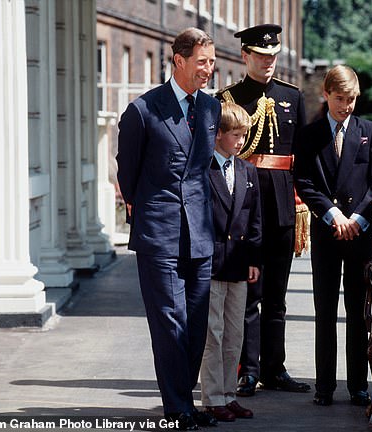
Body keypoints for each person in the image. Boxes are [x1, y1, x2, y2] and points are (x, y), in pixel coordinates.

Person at [116, 28, 221, 431]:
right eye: (202, 62)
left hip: (200, 233)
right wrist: (148, 211)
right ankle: (177, 407)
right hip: (159, 232)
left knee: (195, 321)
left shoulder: (210, 109)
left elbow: (202, 172)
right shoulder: (143, 111)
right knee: (170, 319)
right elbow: (128, 175)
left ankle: (187, 403)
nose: (208, 70)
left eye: (211, 62)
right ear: (178, 60)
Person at [216, 24, 310, 396]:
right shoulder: (228, 99)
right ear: (245, 56)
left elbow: (301, 155)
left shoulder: (293, 96)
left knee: (277, 295)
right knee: (249, 292)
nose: (268, 62)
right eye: (260, 55)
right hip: (244, 206)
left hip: (283, 204)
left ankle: (276, 367)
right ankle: (248, 369)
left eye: (272, 56)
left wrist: (303, 202)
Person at [293, 65, 372, 407]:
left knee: (357, 310)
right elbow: (303, 181)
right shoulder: (309, 135)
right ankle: (324, 386)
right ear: (326, 94)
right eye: (339, 98)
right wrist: (333, 215)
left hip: (358, 234)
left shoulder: (370, 131)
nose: (345, 105)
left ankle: (358, 385)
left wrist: (358, 219)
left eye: (351, 99)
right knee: (325, 311)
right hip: (327, 230)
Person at [199, 102, 262, 422]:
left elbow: (254, 220)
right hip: (211, 263)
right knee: (213, 332)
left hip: (238, 263)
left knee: (235, 333)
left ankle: (228, 393)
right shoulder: (202, 169)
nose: (240, 141)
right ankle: (211, 397)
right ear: (218, 134)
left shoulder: (247, 170)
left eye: (244, 135)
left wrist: (253, 258)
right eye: (235, 135)